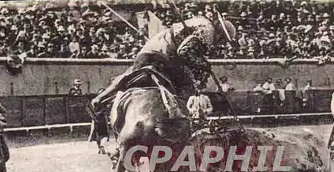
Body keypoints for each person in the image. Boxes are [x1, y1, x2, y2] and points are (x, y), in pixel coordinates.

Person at [88, 15, 236, 141]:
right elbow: (184, 52)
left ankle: (101, 99)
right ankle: (177, 122)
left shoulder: (199, 21)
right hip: (163, 57)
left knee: (129, 77)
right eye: (223, 40)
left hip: (147, 52)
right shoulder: (208, 31)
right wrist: (204, 64)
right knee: (189, 85)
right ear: (221, 34)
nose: (221, 44)